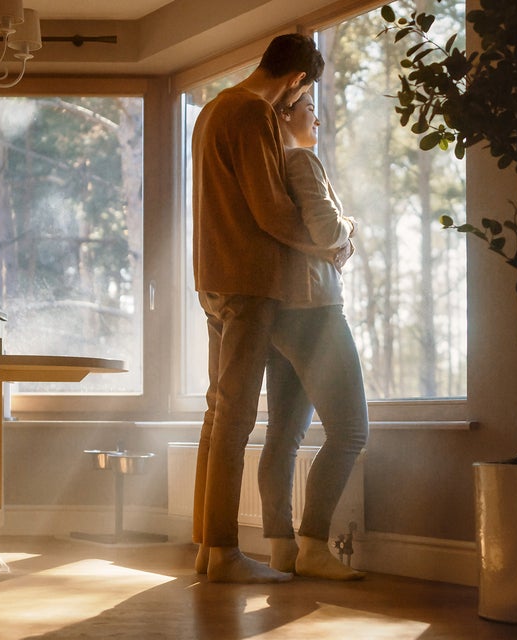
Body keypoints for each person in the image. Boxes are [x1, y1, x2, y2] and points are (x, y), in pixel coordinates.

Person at [192, 33, 345, 584]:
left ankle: (208, 549)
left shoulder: (211, 109)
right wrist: (333, 243)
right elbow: (272, 212)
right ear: (297, 80)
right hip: (248, 279)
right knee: (235, 417)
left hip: (211, 277)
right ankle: (227, 554)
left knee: (218, 413)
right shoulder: (252, 112)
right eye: (302, 95)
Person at [258, 93, 369, 580]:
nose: (316, 117)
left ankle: (282, 548)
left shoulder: (265, 170)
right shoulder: (300, 159)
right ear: (284, 114)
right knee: (350, 430)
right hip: (316, 311)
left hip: (280, 314)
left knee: (284, 434)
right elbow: (327, 232)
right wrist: (350, 227)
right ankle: (315, 546)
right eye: (307, 107)